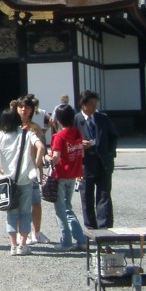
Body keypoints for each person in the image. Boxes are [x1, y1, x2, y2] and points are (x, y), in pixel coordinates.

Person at [0, 108, 45, 255]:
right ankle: (23, 244)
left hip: (8, 181)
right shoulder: (27, 133)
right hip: (25, 179)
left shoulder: (0, 135)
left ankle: (12, 245)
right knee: (25, 213)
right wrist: (36, 164)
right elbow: (41, 147)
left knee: (11, 213)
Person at [74, 90, 118, 229]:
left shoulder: (103, 118)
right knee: (86, 198)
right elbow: (67, 141)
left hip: (103, 163)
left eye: (95, 103)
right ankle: (91, 229)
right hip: (85, 164)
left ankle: (105, 228)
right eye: (91, 104)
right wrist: (79, 144)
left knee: (104, 196)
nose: (94, 107)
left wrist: (110, 153)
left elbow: (113, 136)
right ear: (82, 104)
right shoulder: (76, 120)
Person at [45, 104, 86, 251]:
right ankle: (80, 239)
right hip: (73, 174)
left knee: (60, 210)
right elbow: (81, 152)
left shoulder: (59, 136)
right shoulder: (77, 132)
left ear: (59, 120)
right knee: (68, 207)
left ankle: (66, 241)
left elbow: (56, 157)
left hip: (60, 174)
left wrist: (46, 157)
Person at [18, 95, 51, 246]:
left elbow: (40, 150)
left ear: (32, 110)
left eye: (27, 107)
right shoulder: (12, 127)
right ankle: (21, 233)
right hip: (18, 171)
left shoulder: (35, 128)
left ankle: (36, 232)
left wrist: (40, 169)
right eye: (21, 107)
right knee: (19, 204)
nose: (24, 110)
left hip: (32, 170)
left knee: (36, 203)